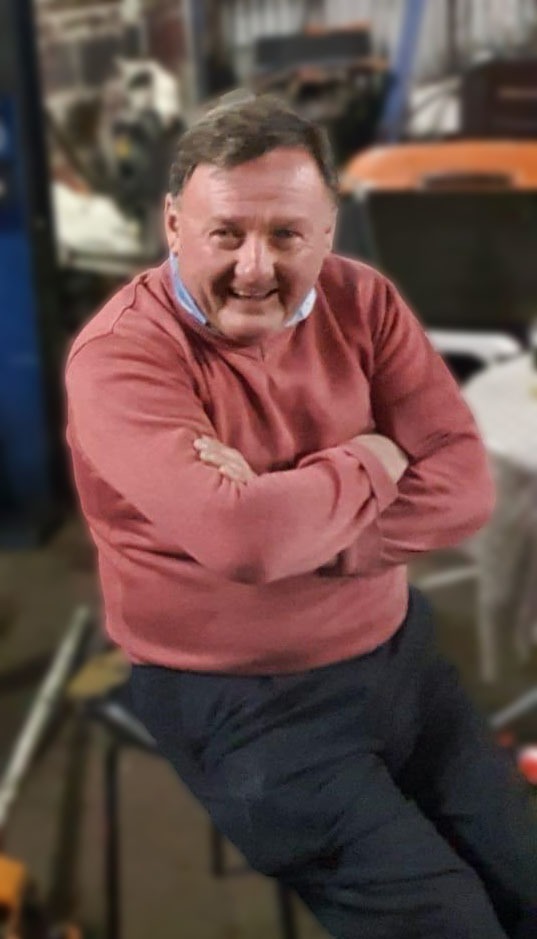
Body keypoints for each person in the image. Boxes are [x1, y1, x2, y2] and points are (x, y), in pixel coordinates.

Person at [65, 94, 537, 938]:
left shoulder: (364, 302)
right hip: (241, 701)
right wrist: (373, 457)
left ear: (327, 230)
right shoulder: (122, 357)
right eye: (225, 233)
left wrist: (292, 518)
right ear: (172, 225)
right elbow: (246, 538)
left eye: (285, 234)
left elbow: (464, 484)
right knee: (451, 921)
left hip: (399, 656)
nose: (254, 268)